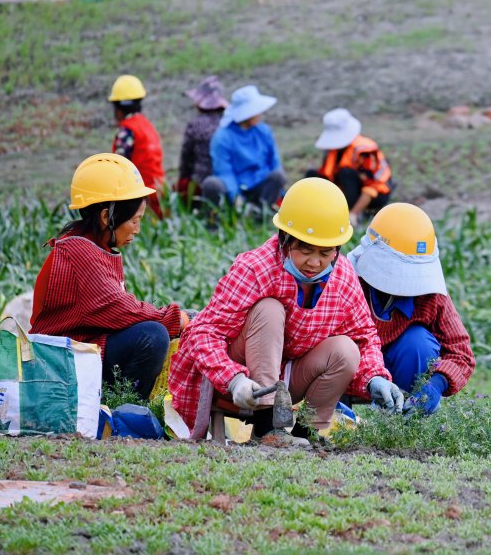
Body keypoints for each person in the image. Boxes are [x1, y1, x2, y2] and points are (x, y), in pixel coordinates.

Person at [168, 177, 405, 440]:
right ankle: (267, 427)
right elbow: (202, 333)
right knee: (269, 309)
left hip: (290, 378)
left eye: (325, 253)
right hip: (240, 381)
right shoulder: (255, 268)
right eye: (305, 249)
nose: (315, 262)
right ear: (284, 239)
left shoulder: (343, 276)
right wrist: (233, 379)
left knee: (346, 350)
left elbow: (365, 337)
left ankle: (307, 432)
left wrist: (374, 377)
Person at [30, 153, 186, 400]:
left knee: (160, 328)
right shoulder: (79, 251)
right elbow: (119, 308)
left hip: (83, 348)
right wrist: (174, 319)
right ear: (106, 217)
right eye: (134, 220)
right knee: (153, 336)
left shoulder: (90, 245)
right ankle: (122, 408)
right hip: (59, 364)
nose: (137, 229)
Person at [347, 203, 475, 415]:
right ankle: (334, 415)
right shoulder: (348, 280)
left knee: (418, 343)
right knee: (342, 347)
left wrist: (437, 384)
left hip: (400, 365)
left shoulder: (430, 294)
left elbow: (461, 352)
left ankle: (403, 417)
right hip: (353, 370)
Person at [201, 85, 285, 215]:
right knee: (212, 184)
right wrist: (236, 198)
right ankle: (221, 220)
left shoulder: (263, 131)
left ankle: (261, 214)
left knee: (278, 176)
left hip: (260, 186)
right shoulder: (223, 137)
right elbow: (224, 171)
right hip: (234, 188)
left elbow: (275, 163)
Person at [308, 108, 392, 226]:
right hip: (347, 190)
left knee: (346, 173)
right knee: (311, 176)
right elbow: (327, 175)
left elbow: (370, 188)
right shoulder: (332, 151)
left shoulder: (364, 151)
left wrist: (353, 213)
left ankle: (356, 215)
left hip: (375, 195)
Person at [109, 74, 166, 216]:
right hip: (159, 194)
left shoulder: (127, 131)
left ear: (118, 109)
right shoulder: (148, 126)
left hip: (139, 197)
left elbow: (120, 166)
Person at [176, 76, 229, 202]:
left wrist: (182, 181)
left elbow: (186, 159)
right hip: (228, 182)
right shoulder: (228, 124)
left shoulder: (195, 125)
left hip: (200, 184)